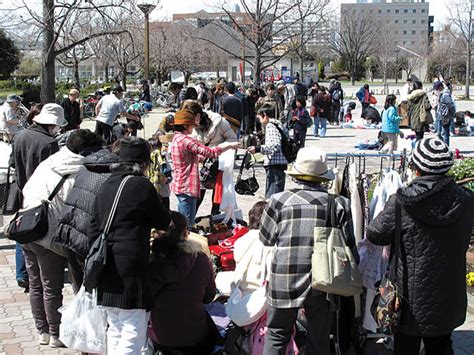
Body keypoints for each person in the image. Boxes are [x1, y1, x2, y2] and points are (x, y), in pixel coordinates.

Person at [367, 138, 474, 355]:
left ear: (416, 168)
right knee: (442, 344)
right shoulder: (466, 199)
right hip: (449, 291)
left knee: (406, 346)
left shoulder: (402, 202)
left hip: (409, 294)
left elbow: (375, 233)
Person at [259, 147, 356, 355]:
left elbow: (266, 239)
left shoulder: (278, 201)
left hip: (283, 277)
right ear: (322, 178)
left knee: (276, 333)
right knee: (318, 337)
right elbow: (349, 247)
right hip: (322, 280)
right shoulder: (339, 204)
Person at [21, 129, 104, 347]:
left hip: (27, 226)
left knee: (36, 283)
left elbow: (28, 187)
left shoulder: (51, 161)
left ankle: (43, 331)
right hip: (48, 233)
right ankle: (56, 334)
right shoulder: (79, 169)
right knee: (51, 285)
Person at [88, 137, 171, 353]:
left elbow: (93, 228)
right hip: (131, 267)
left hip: (105, 264)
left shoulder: (106, 185)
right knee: (133, 326)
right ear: (143, 163)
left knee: (115, 326)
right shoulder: (141, 185)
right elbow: (162, 221)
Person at [11, 103, 67, 292]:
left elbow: (12, 163)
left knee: (23, 235)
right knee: (42, 241)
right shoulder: (49, 143)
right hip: (43, 197)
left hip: (22, 193)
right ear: (52, 124)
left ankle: (22, 274)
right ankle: (43, 275)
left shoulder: (20, 136)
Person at [150, 211, 218, 354]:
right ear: (186, 233)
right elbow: (209, 297)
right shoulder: (200, 259)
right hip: (195, 338)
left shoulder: (150, 262)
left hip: (161, 337)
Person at [55, 144, 119, 293]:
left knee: (79, 286)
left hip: (69, 228)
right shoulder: (112, 176)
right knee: (91, 288)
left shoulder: (86, 167)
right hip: (85, 235)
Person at [170, 109, 239, 227]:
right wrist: (228, 146)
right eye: (192, 125)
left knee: (182, 223)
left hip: (180, 184)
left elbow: (188, 157)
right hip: (187, 185)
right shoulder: (186, 140)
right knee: (187, 225)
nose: (194, 128)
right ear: (186, 125)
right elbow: (209, 152)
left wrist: (198, 158)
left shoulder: (176, 138)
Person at [184, 100, 237, 215]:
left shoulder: (220, 122)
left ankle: (216, 218)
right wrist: (199, 154)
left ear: (198, 116)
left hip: (219, 163)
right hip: (202, 165)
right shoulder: (191, 127)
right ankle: (191, 219)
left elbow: (232, 139)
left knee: (218, 193)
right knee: (198, 194)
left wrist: (217, 149)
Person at [247, 104, 288, 198]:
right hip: (279, 163)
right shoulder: (278, 123)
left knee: (272, 197)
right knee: (275, 194)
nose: (260, 121)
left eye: (259, 118)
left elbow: (275, 145)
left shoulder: (270, 126)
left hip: (275, 164)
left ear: (265, 115)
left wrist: (258, 149)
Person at [148, 138, 172, 210]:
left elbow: (170, 177)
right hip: (150, 195)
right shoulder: (146, 163)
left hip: (163, 194)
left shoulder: (164, 162)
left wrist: (166, 179)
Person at [434, 81, 456, 146]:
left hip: (445, 116)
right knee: (439, 133)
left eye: (437, 88)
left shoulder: (445, 95)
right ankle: (442, 146)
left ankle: (446, 147)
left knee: (444, 133)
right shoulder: (442, 94)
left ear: (441, 87)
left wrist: (453, 113)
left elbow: (450, 105)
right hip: (441, 115)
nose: (436, 90)